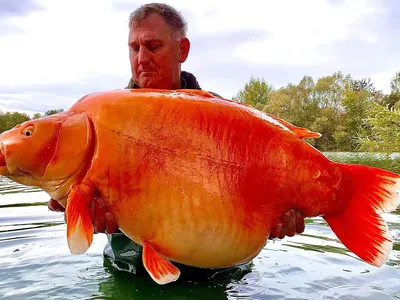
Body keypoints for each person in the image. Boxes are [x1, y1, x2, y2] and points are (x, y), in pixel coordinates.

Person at [48, 2, 306, 279]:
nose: (142, 58)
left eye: (153, 46)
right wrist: (78, 212)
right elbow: (71, 197)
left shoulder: (227, 120)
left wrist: (280, 216)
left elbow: (263, 192)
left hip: (214, 275)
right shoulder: (101, 121)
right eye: (134, 48)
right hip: (128, 270)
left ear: (182, 50)